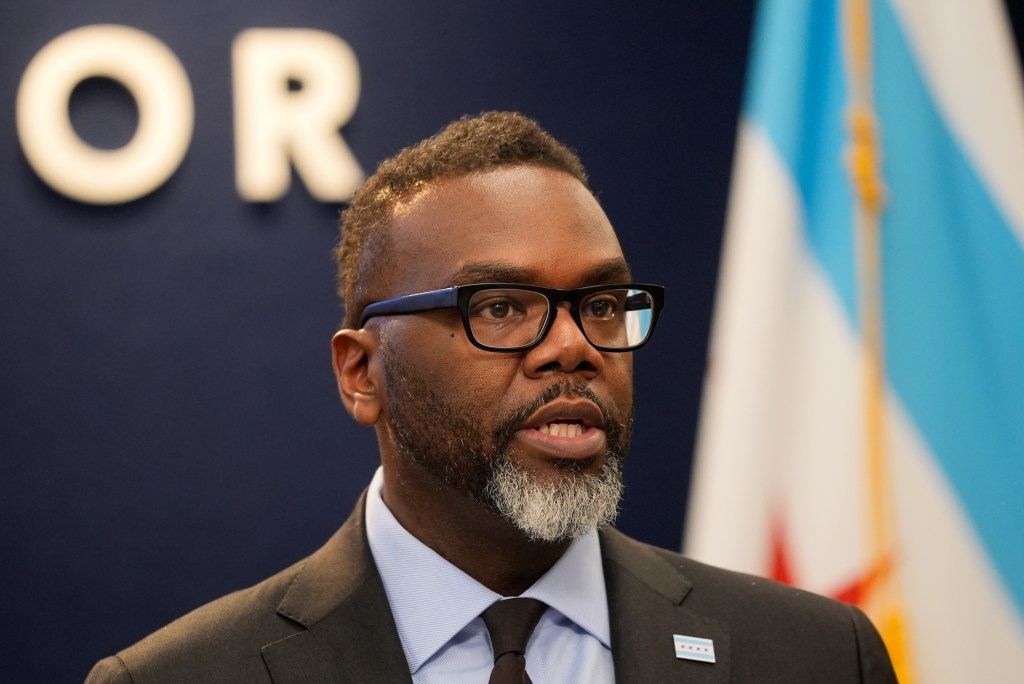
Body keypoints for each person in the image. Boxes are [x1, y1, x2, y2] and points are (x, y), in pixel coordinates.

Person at [86, 111, 897, 683]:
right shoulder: (181, 677)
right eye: (501, 308)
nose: (574, 346)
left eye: (603, 304)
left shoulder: (814, 657)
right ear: (361, 374)